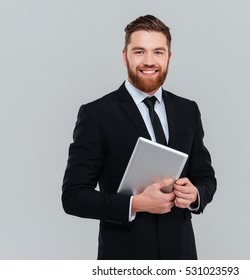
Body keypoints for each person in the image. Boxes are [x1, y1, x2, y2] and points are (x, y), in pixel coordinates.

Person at [62, 14, 216, 260]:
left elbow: (205, 176)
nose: (149, 61)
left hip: (181, 255)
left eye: (158, 52)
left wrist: (196, 194)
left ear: (169, 57)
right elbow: (73, 197)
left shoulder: (187, 110)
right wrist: (135, 204)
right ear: (125, 56)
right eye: (139, 52)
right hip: (124, 257)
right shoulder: (97, 113)